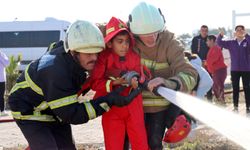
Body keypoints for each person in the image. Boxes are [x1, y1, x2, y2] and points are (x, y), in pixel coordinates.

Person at [8, 20, 140, 150]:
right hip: (29, 109)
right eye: (88, 53)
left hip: (54, 108)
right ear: (73, 51)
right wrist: (109, 101)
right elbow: (73, 115)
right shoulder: (57, 72)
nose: (94, 58)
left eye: (96, 52)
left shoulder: (69, 54)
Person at [128, 2, 198, 149]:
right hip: (132, 107)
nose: (152, 37)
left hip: (157, 109)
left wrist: (169, 83)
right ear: (133, 31)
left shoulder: (170, 42)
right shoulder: (125, 38)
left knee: (154, 144)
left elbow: (190, 74)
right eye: (146, 34)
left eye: (155, 32)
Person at [90, 17, 148, 150]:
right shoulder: (103, 58)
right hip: (112, 108)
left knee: (141, 144)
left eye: (127, 42)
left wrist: (138, 81)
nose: (124, 45)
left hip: (134, 106)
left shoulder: (134, 56)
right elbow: (95, 83)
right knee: (113, 145)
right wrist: (115, 82)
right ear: (110, 43)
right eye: (120, 41)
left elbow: (143, 74)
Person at [217, 25, 250, 113]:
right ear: (235, 32)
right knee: (235, 88)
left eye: (241, 30)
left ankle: (248, 107)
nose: (239, 31)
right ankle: (235, 107)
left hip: (246, 69)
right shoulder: (231, 43)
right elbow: (219, 42)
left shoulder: (247, 41)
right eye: (237, 30)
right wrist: (220, 35)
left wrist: (246, 35)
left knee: (247, 88)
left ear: (244, 31)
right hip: (235, 69)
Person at [191, 25, 213, 101]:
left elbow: (213, 49)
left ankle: (210, 100)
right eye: (202, 30)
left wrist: (207, 61)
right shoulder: (196, 39)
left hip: (208, 64)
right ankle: (198, 100)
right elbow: (193, 52)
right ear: (200, 31)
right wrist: (198, 62)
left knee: (209, 80)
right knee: (197, 81)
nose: (204, 32)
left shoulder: (210, 39)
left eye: (206, 31)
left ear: (207, 31)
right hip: (198, 64)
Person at [206, 35, 227, 104]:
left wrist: (206, 62)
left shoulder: (216, 48)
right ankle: (220, 102)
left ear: (212, 40)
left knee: (217, 87)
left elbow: (212, 59)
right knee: (217, 87)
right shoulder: (213, 49)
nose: (207, 42)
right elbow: (210, 60)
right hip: (216, 71)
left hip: (219, 70)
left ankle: (221, 102)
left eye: (207, 41)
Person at [0, 50, 9, 116]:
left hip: (2, 79)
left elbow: (7, 64)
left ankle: (2, 111)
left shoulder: (2, 54)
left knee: (1, 96)